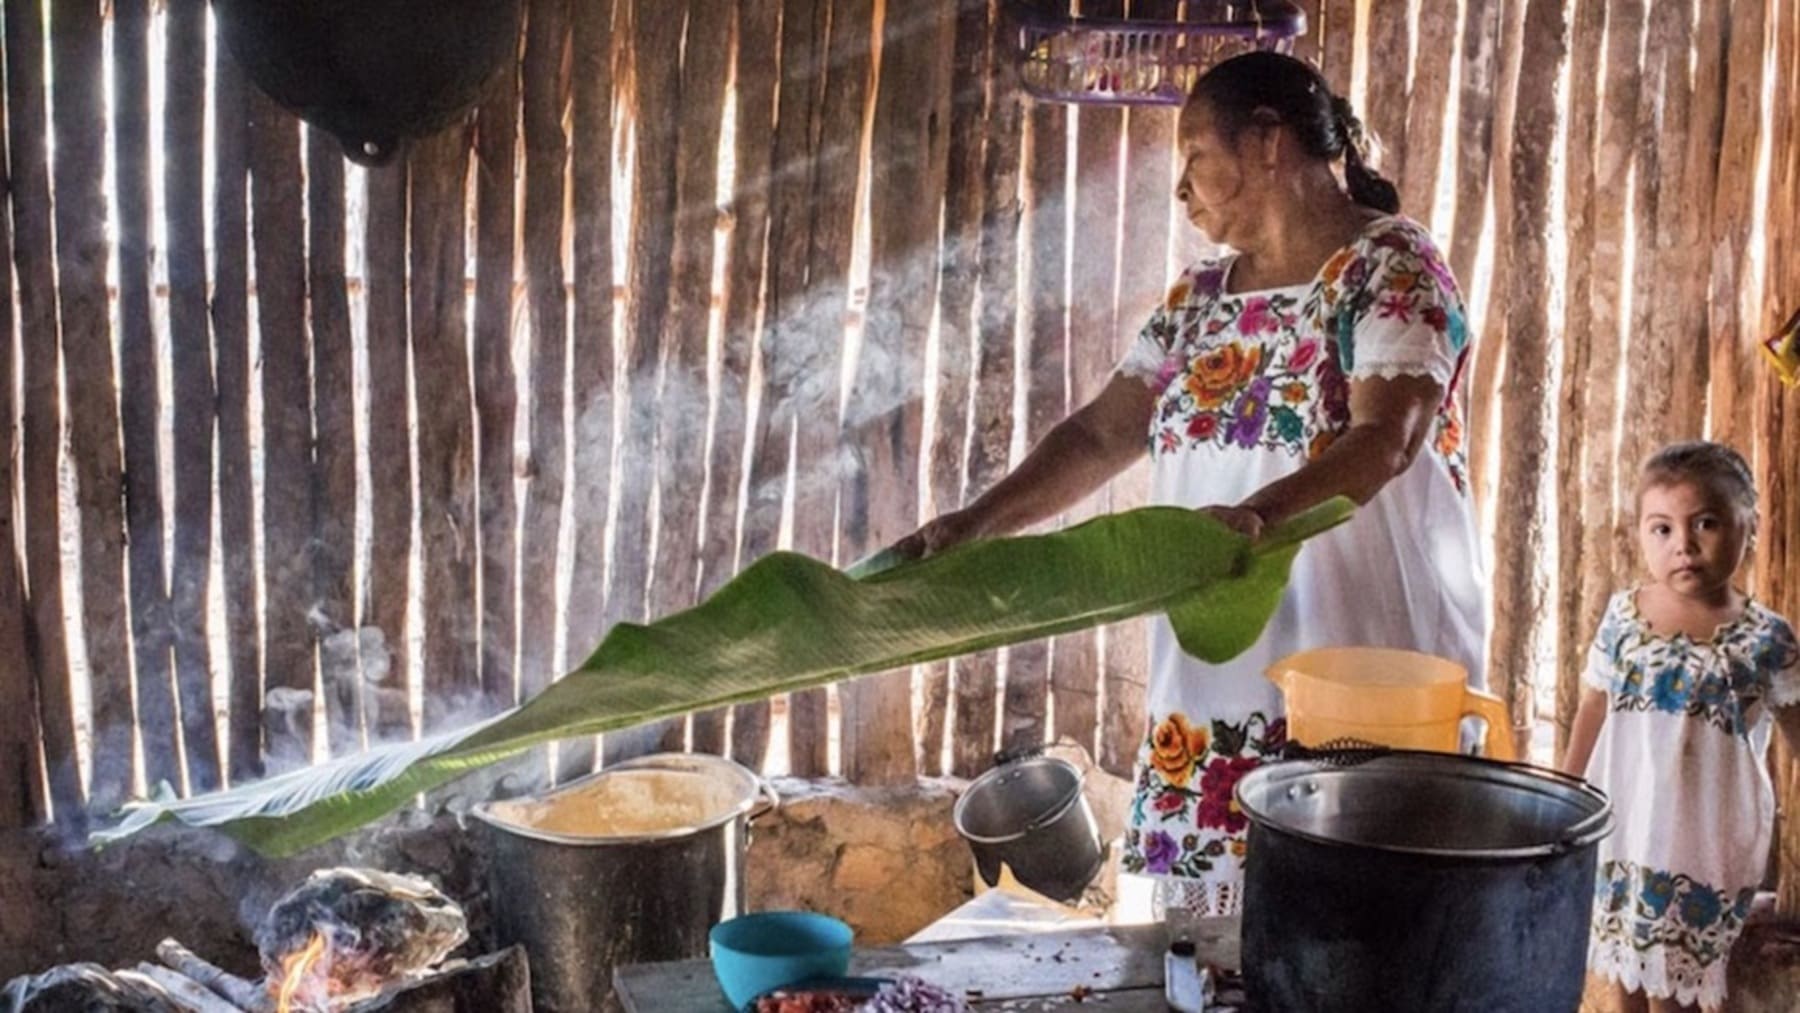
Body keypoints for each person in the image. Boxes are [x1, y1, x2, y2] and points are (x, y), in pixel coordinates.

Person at [892, 50, 1489, 918]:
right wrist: (977, 522)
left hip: (1357, 665)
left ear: (1267, 141)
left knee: (1353, 929)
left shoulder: (1389, 268)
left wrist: (1250, 519)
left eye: (1195, 153)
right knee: (1199, 942)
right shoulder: (1200, 297)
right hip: (1215, 674)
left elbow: (1384, 439)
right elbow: (1102, 430)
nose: (1183, 187)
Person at [1561, 442, 1800, 1013]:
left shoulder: (1765, 638)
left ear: (1751, 526)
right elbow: (1594, 705)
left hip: (1703, 840)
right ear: (1640, 534)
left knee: (1679, 991)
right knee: (1625, 972)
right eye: (1662, 529)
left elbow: (1795, 726)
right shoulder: (1623, 615)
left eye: (1706, 524)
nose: (1684, 546)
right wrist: (1566, 793)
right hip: (1627, 829)